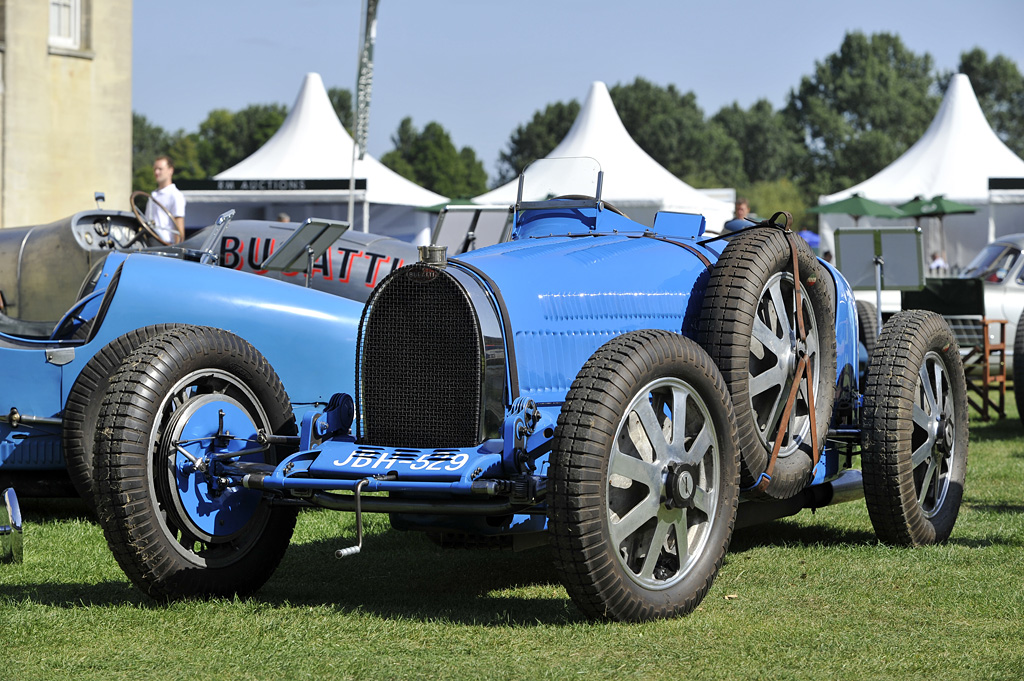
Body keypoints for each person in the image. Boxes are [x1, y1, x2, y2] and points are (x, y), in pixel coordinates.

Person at [146, 155, 186, 244]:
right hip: (150, 243)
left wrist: (176, 250)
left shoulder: (175, 195)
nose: (156, 172)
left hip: (165, 245)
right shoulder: (153, 195)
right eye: (155, 169)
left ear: (170, 170)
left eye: (160, 169)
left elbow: (179, 228)